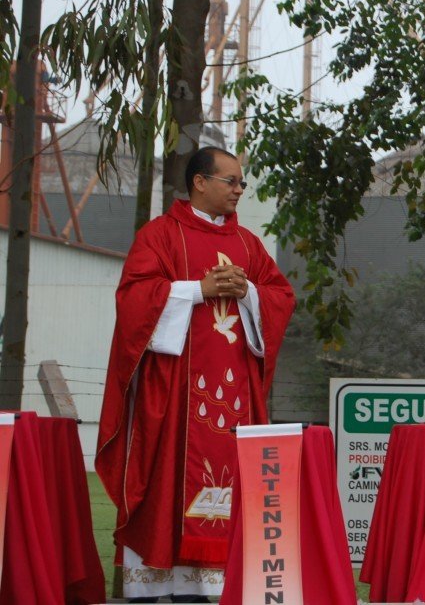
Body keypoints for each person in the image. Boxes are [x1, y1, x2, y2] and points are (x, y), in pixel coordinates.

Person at [95, 146, 295, 603]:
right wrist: (197, 290)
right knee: (163, 481)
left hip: (233, 398)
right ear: (200, 182)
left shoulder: (247, 243)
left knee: (229, 482)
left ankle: (209, 588)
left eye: (242, 183)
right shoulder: (160, 236)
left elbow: (280, 296)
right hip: (173, 395)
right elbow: (133, 300)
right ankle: (153, 587)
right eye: (231, 181)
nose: (239, 190)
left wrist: (249, 294)